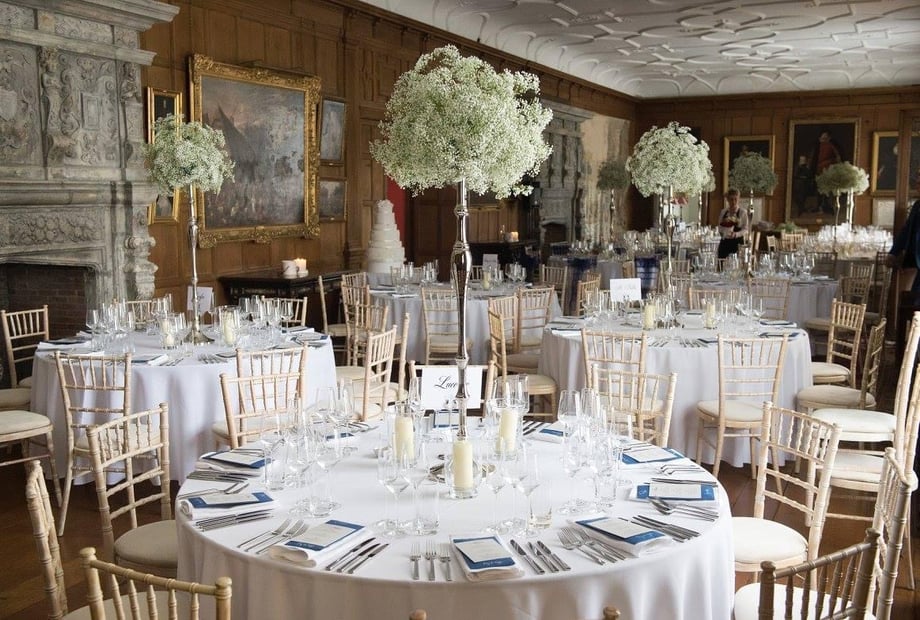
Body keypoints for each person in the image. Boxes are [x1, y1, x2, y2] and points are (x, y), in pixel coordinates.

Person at [887, 170, 920, 292]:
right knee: (913, 297)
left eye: (919, 183)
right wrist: (893, 252)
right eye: (917, 183)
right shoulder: (917, 206)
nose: (917, 186)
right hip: (914, 260)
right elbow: (906, 231)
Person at [717, 189, 749, 259]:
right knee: (721, 262)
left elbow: (746, 229)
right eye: (731, 199)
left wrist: (736, 234)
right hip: (724, 242)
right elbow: (719, 227)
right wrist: (723, 232)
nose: (733, 202)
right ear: (728, 200)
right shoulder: (723, 212)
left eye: (735, 199)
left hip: (737, 243)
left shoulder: (743, 212)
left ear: (739, 199)